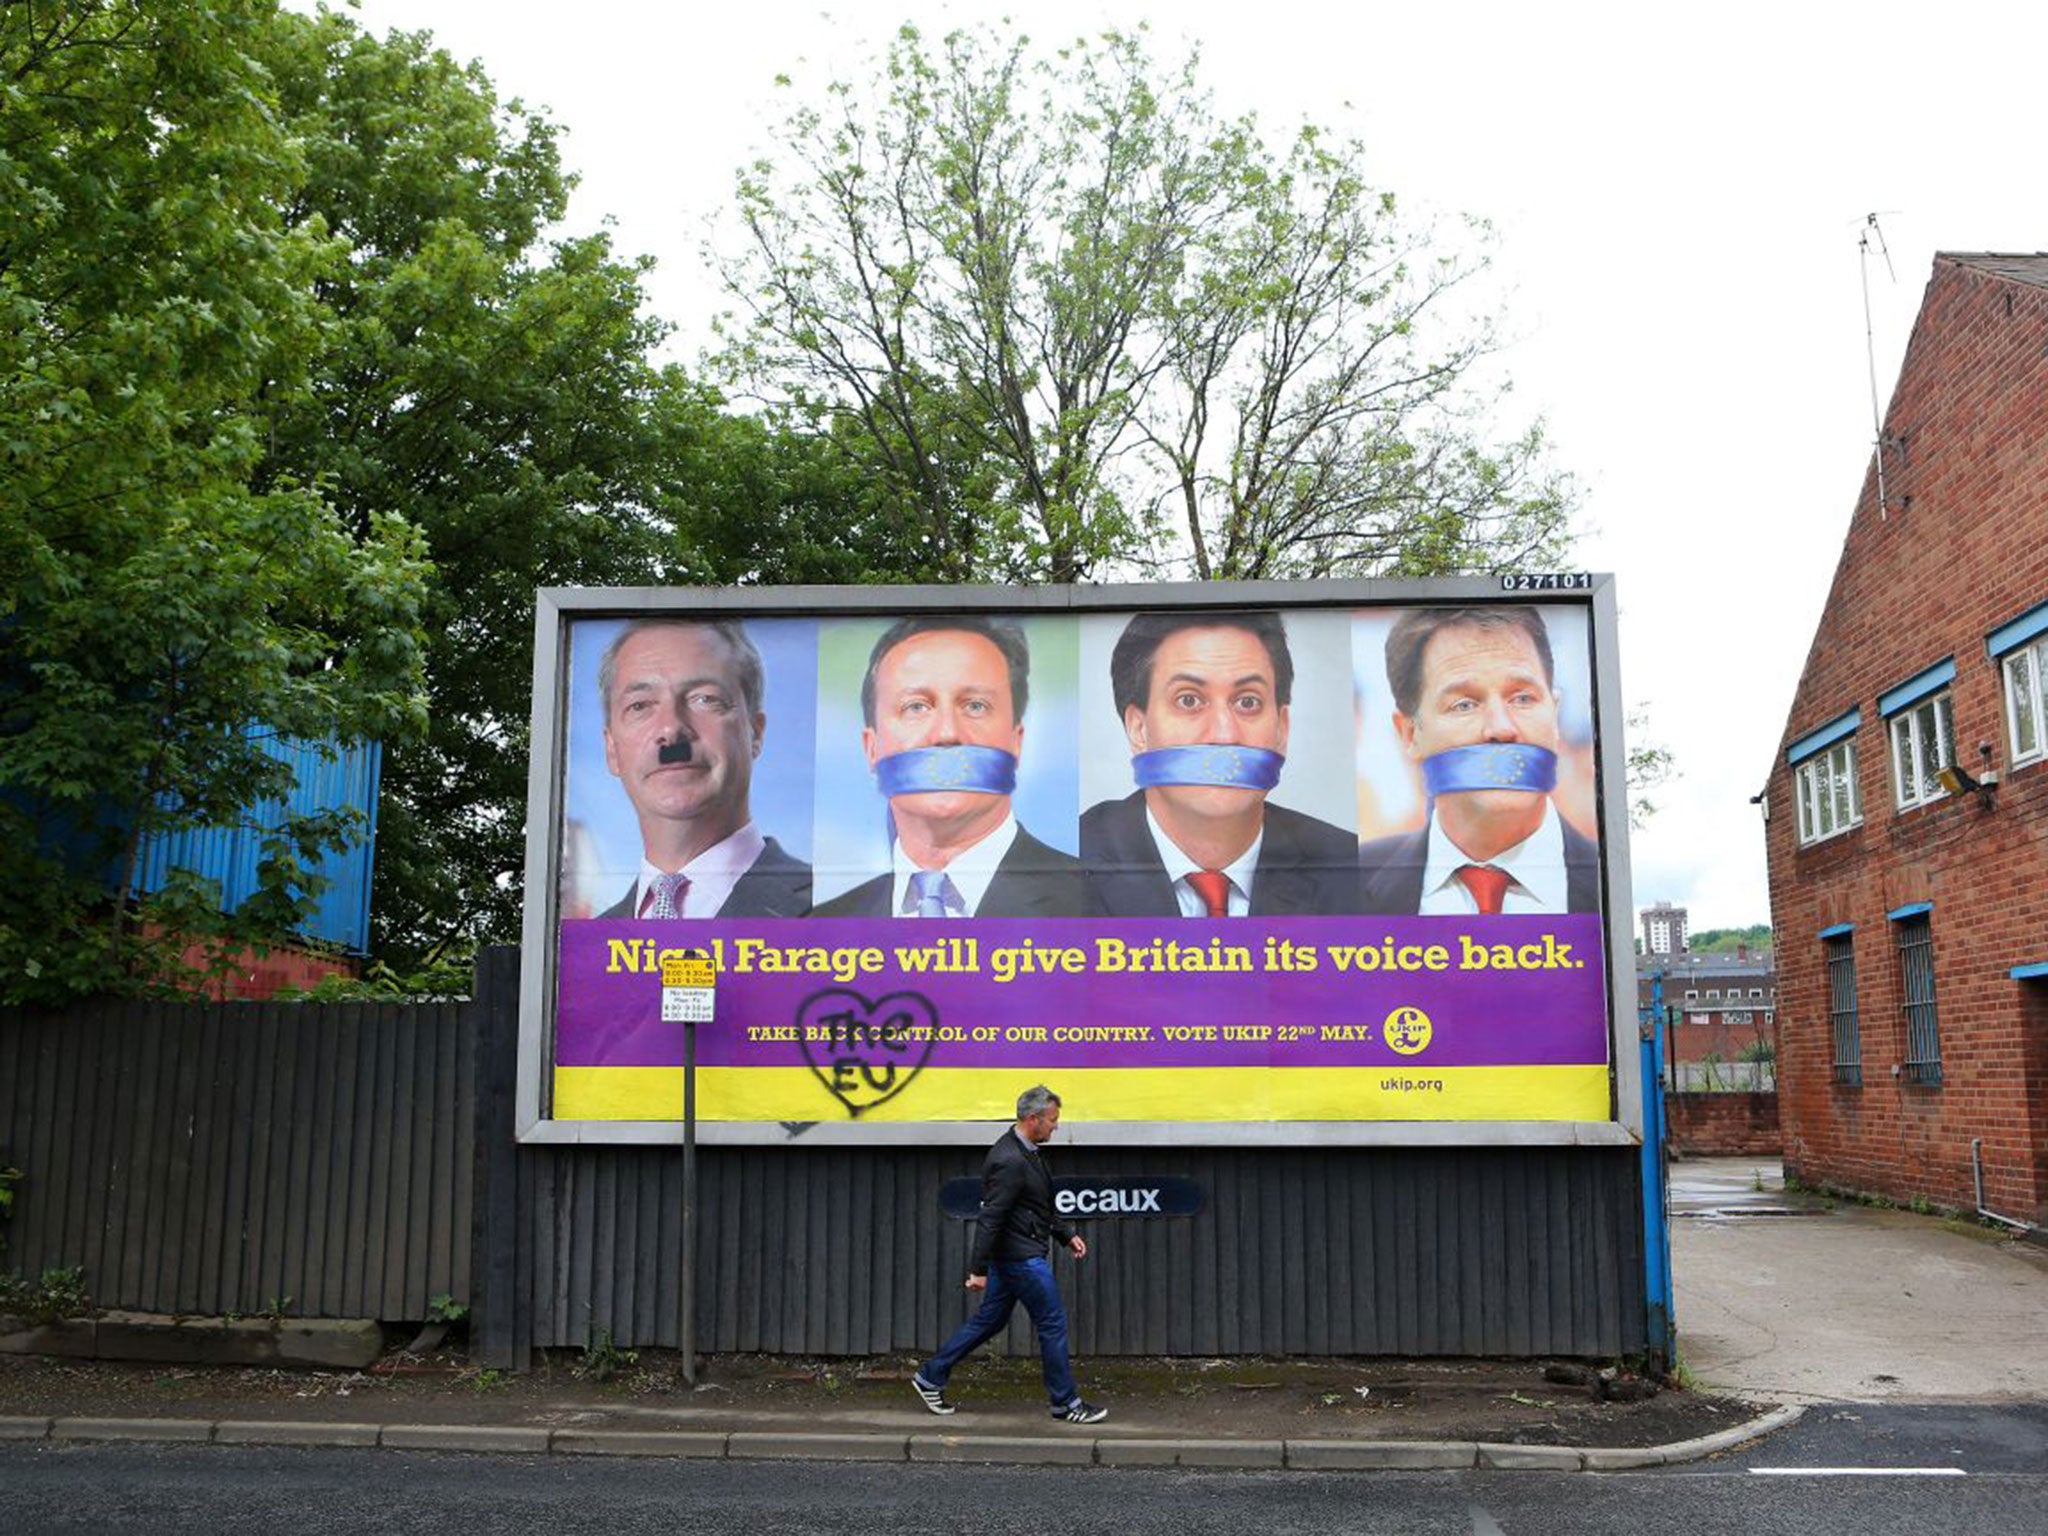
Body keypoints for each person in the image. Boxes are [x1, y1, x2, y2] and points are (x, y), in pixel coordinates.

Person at [1080, 611, 1358, 917]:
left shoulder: (1354, 868)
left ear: (1282, 729)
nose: (1224, 734)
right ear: (1138, 729)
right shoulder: (1069, 863)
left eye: (1247, 702)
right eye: (1188, 700)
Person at [813, 616, 1092, 918]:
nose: (947, 733)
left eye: (975, 706)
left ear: (1016, 742)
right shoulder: (821, 927)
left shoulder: (1098, 904)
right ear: (871, 748)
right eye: (915, 707)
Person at [1359, 605, 1599, 914]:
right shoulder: (1344, 886)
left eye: (1523, 698)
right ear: (1409, 734)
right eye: (1464, 705)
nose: (1501, 728)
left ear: (1554, 715)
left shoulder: (1613, 878)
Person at [910, 1085, 1107, 1423]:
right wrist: (977, 1269)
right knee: (1052, 1322)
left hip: (1015, 1253)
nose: (1056, 1127)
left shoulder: (1026, 1151)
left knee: (990, 1321)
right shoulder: (1009, 1160)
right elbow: (991, 1217)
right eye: (1052, 1120)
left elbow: (1038, 1204)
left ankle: (931, 1375)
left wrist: (1065, 1234)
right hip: (1021, 1259)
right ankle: (1066, 1404)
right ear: (1033, 1119)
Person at [592, 618, 811, 919]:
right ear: (612, 749)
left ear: (755, 733)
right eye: (640, 705)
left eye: (705, 699)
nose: (671, 730)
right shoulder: (582, 947)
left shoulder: (838, 913)